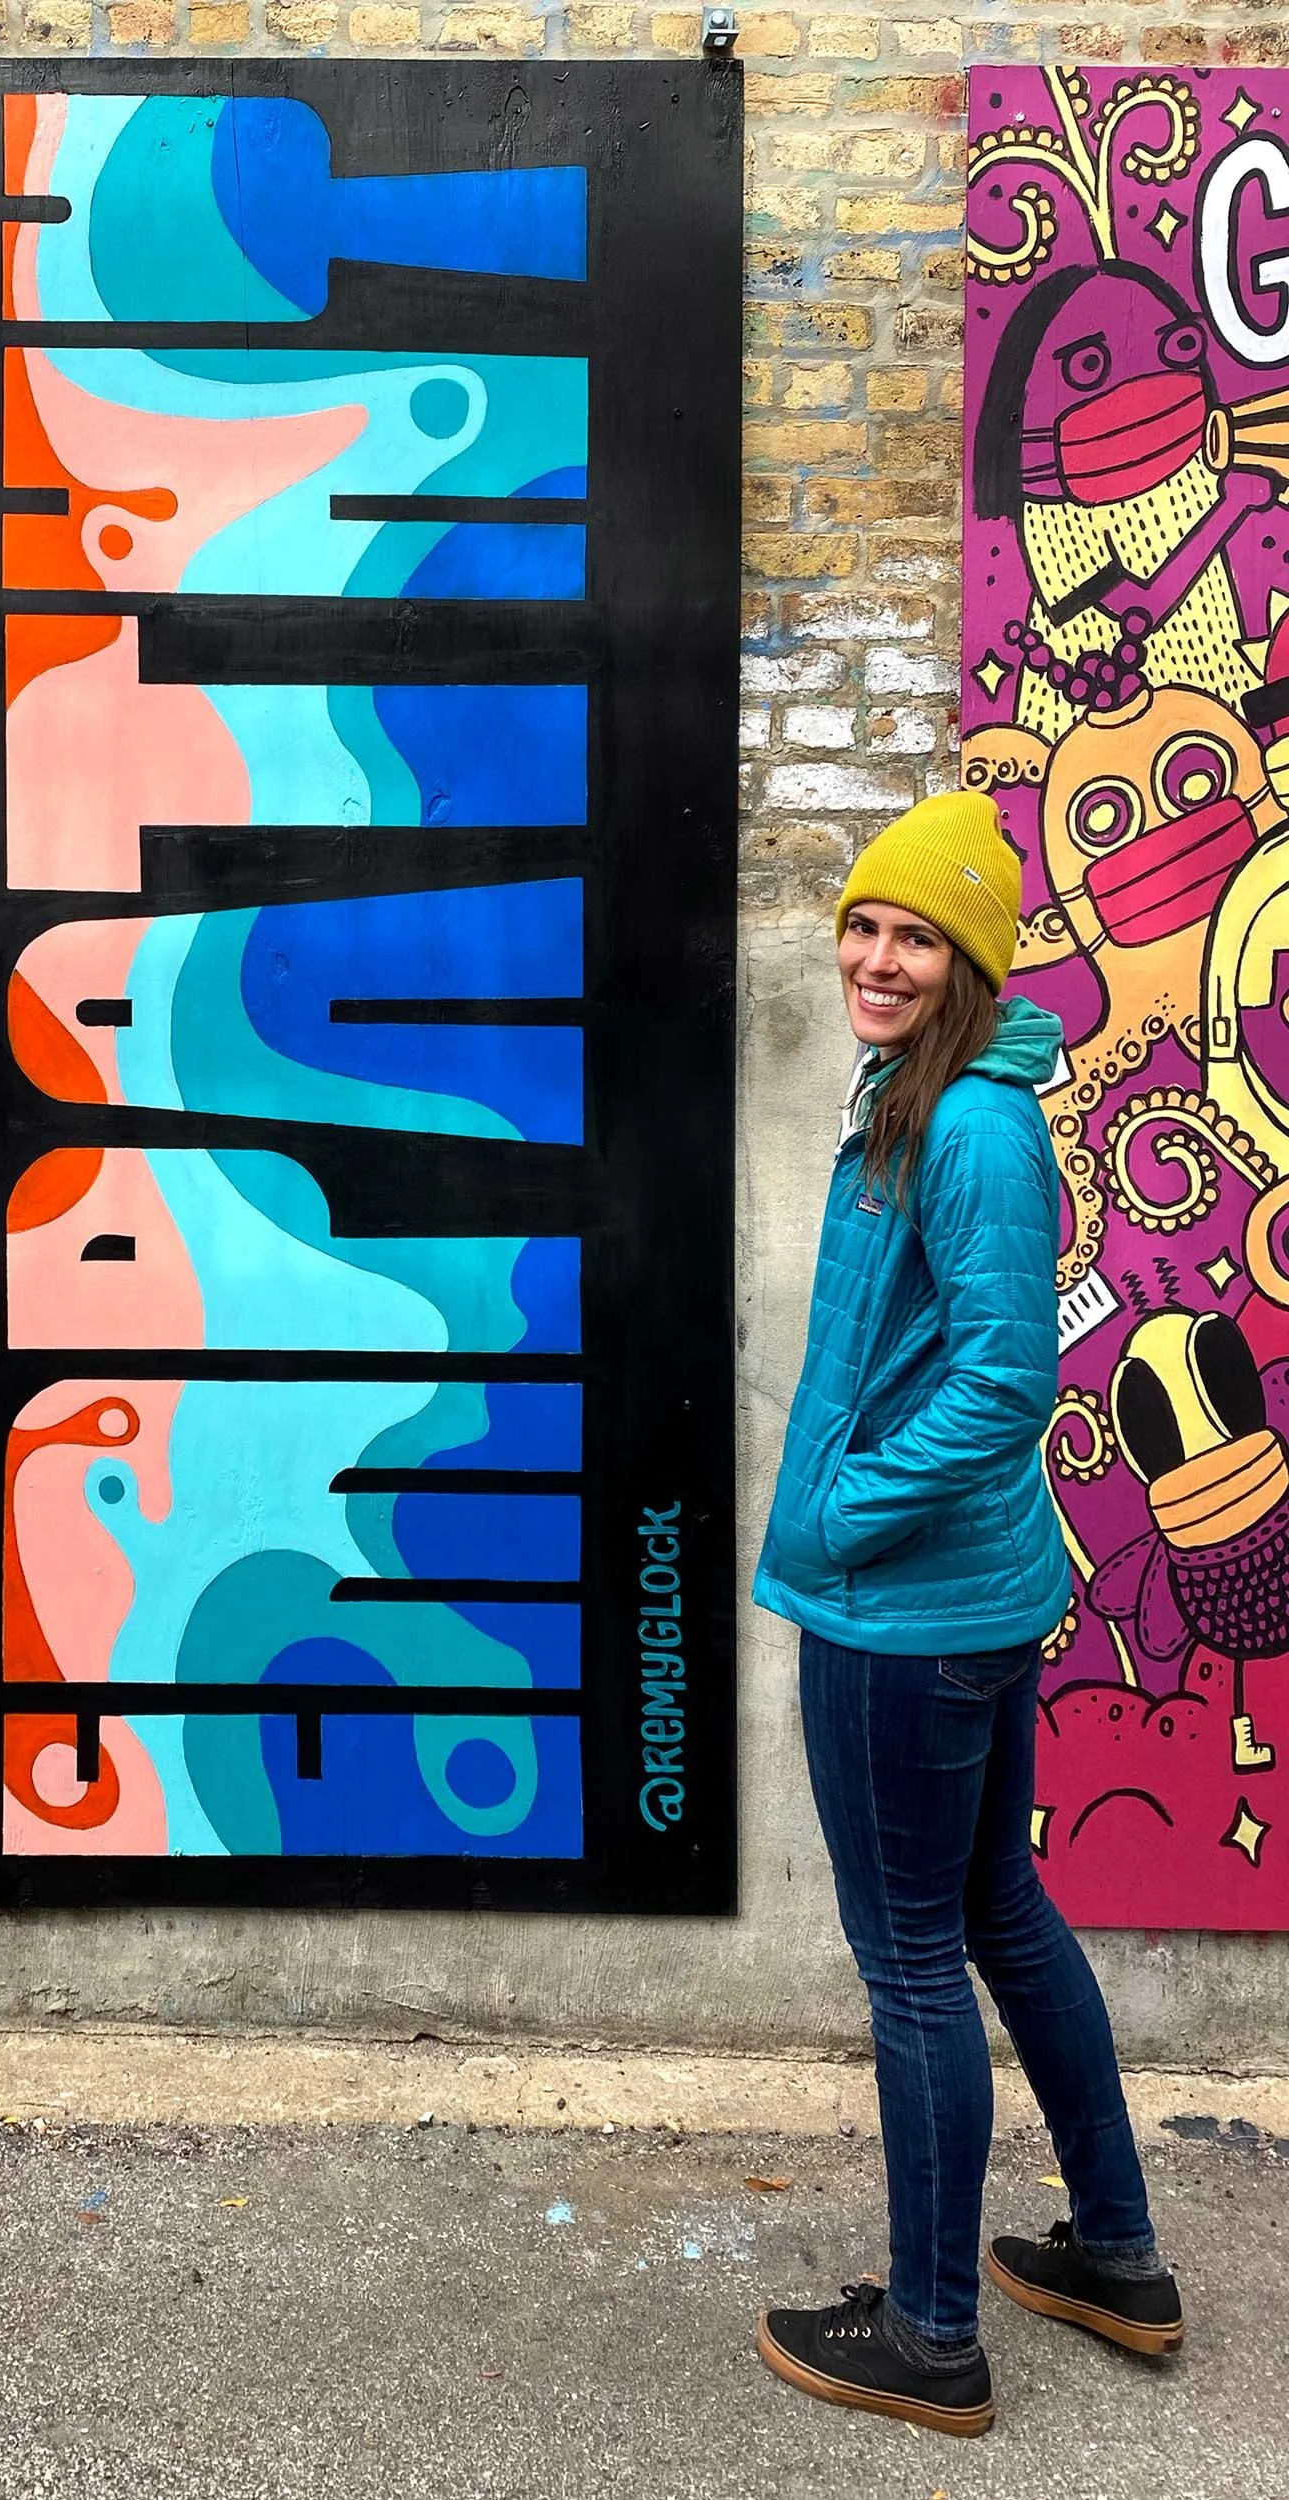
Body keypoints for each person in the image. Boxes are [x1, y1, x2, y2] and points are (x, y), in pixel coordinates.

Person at [751, 791, 1184, 2439]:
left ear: (971, 964)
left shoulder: (975, 1128)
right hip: (958, 1601)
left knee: (915, 1964)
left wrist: (838, 1516)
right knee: (998, 1909)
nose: (874, 955)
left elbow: (1006, 1379)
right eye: (863, 923)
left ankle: (934, 2335)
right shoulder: (919, 1093)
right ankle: (1117, 2257)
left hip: (907, 1614)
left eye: (913, 935)